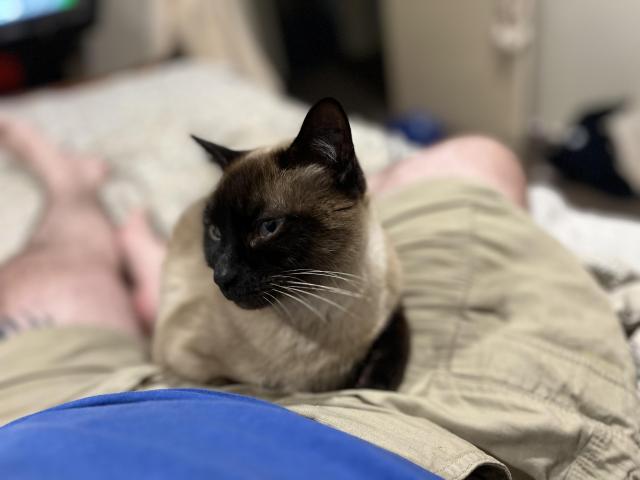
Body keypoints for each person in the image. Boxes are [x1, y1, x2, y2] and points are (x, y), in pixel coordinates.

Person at [0, 119, 638, 479]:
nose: (223, 273)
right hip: (446, 431)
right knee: (475, 157)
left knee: (54, 275)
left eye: (268, 230)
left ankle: (81, 203)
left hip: (58, 411)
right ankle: (119, 228)